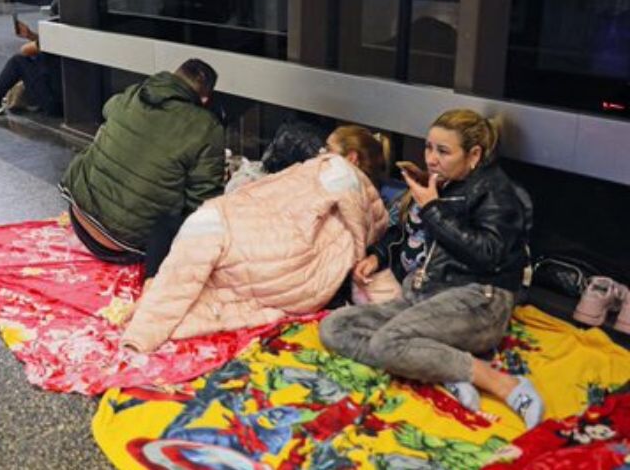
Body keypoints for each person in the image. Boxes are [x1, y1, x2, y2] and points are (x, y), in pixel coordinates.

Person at [319, 109, 544, 428]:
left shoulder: (499, 193)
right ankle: (440, 367)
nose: (431, 159)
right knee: (335, 327)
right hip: (427, 294)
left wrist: (433, 209)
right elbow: (401, 232)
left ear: (474, 154)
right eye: (428, 148)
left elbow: (487, 255)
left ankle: (500, 383)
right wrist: (378, 256)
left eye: (443, 151)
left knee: (387, 343)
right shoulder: (437, 184)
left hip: (479, 300)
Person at [119, 127, 391, 352]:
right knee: (220, 270)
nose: (320, 155)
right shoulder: (374, 213)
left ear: (351, 158)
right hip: (295, 281)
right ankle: (153, 308)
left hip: (274, 247)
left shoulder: (337, 170)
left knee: (204, 229)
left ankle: (147, 320)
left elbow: (277, 199)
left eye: (327, 150)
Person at [59, 59, 225, 264]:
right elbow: (203, 200)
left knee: (105, 137)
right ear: (205, 98)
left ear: (173, 77)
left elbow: (107, 110)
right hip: (123, 247)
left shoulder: (134, 93)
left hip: (78, 214)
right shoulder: (207, 127)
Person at [0, 4, 61, 116]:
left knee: (18, 61)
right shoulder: (73, 32)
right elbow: (44, 45)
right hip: (72, 103)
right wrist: (30, 35)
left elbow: (25, 50)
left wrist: (34, 40)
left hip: (54, 103)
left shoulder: (56, 33)